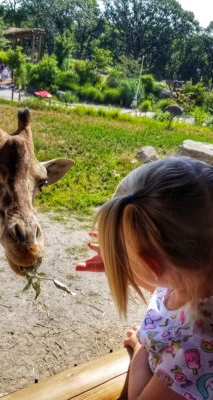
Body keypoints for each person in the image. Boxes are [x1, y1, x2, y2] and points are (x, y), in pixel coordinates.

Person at [76, 157, 213, 400]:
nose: (121, 264)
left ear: (153, 265)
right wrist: (127, 268)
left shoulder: (197, 350)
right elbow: (167, 293)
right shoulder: (198, 279)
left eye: (123, 257)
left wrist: (141, 348)